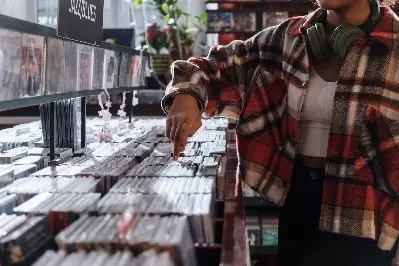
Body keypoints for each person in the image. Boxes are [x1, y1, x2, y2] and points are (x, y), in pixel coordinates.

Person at [162, 0, 399, 265]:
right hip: (296, 202)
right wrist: (186, 97)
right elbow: (209, 68)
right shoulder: (288, 38)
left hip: (365, 218)